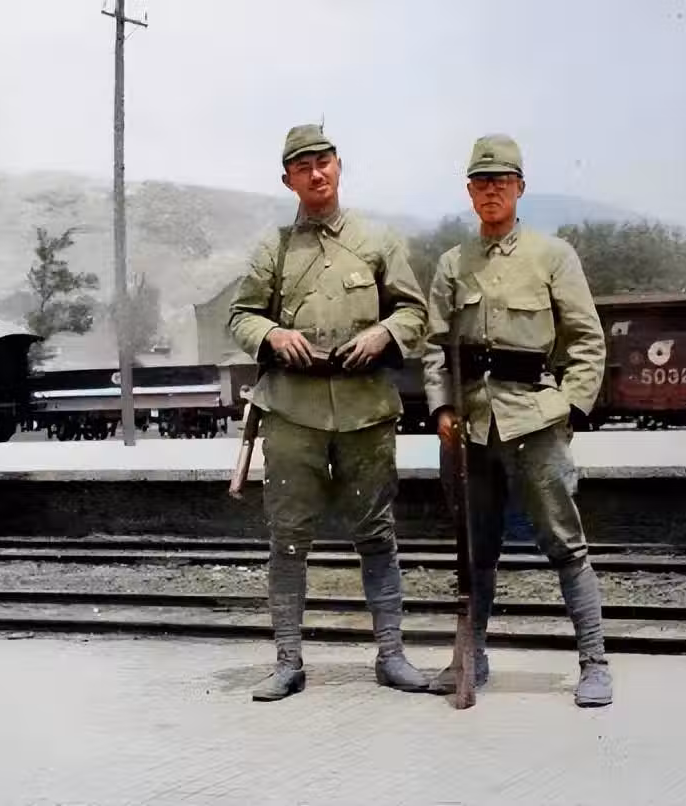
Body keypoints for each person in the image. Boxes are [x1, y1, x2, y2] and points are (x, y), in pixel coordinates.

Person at [228, 123, 431, 701]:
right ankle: (288, 661)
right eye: (303, 167)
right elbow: (240, 316)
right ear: (288, 180)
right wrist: (272, 334)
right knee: (288, 540)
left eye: (324, 162)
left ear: (339, 166)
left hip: (366, 413)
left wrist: (385, 333)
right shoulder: (273, 249)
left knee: (377, 536)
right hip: (293, 415)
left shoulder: (378, 240)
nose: (316, 173)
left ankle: (391, 656)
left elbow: (415, 313)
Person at [421, 134, 612, 707]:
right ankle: (471, 659)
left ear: (520, 188)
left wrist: (568, 408)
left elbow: (587, 341)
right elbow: (434, 348)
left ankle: (594, 664)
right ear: (469, 192)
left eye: (501, 181)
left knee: (565, 545)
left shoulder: (553, 256)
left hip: (535, 421)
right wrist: (442, 407)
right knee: (475, 551)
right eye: (481, 182)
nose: (491, 191)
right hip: (472, 429)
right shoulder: (453, 265)